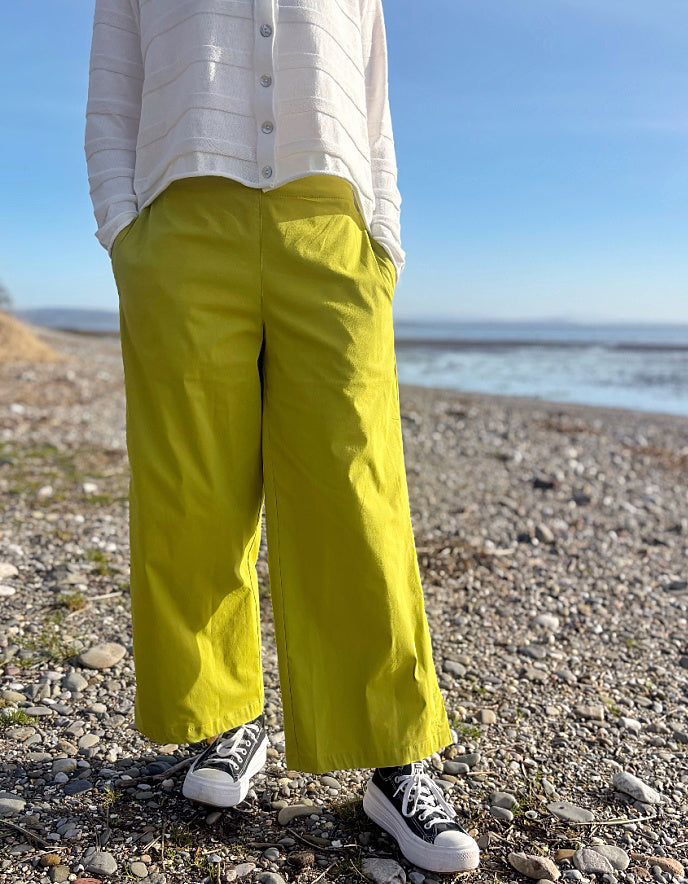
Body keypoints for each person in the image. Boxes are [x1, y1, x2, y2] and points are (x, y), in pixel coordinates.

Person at [84, 0, 480, 873]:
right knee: (195, 494)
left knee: (358, 494)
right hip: (181, 229)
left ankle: (394, 757)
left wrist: (383, 242)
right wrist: (127, 231)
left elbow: (373, 108)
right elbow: (112, 95)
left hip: (331, 229)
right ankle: (225, 721)